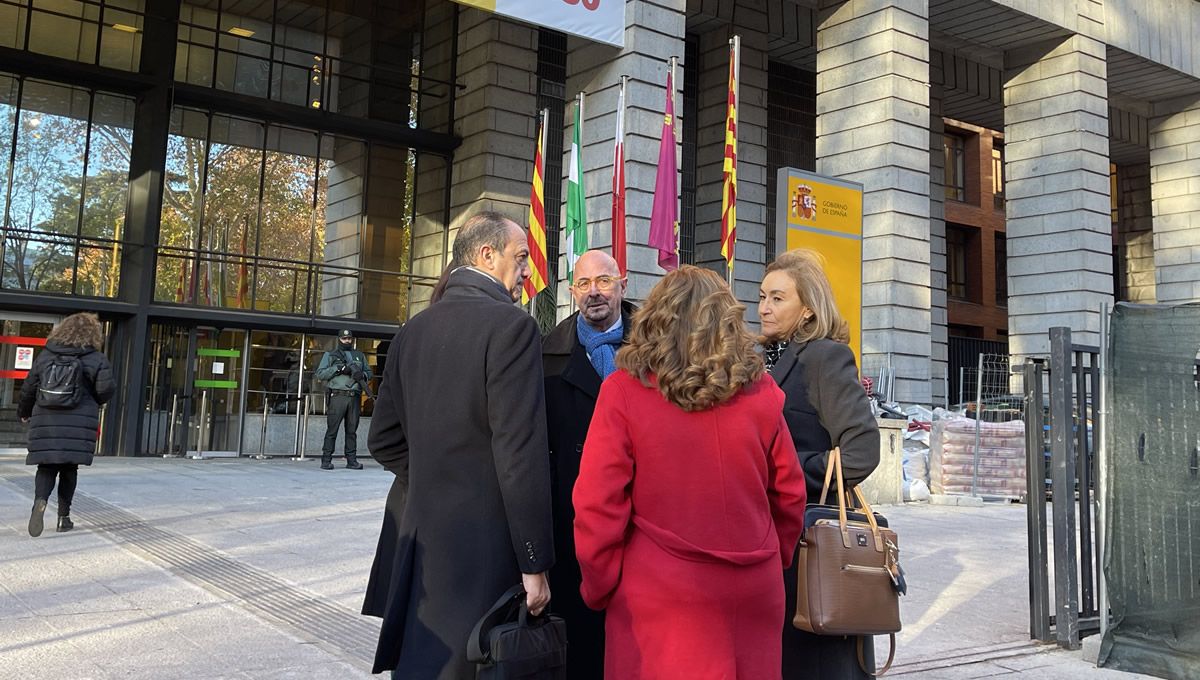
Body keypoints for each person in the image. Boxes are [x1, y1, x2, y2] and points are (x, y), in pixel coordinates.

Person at [573, 266, 809, 680]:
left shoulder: (624, 392)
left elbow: (597, 504)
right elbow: (789, 494)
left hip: (658, 595)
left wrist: (599, 585)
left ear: (655, 318)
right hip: (754, 586)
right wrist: (772, 560)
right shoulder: (763, 394)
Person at [365, 211, 554, 679]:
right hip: (485, 548)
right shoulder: (512, 328)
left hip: (422, 544)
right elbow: (519, 454)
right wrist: (535, 564)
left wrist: (435, 477)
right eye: (521, 256)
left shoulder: (411, 331)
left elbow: (382, 439)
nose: (528, 269)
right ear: (487, 255)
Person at [758, 248, 881, 680]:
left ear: (807, 308)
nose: (764, 308)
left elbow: (863, 448)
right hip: (772, 539)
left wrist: (788, 468)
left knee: (817, 661)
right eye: (762, 296)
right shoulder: (762, 360)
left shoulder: (825, 357)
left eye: (777, 298)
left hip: (814, 537)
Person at [541, 249, 633, 680]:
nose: (594, 292)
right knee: (581, 649)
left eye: (604, 281)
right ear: (572, 291)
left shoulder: (658, 347)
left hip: (640, 524)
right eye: (583, 284)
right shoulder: (547, 356)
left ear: (623, 285)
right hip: (573, 526)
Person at [18, 312, 115, 537]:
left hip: (47, 419)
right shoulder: (96, 358)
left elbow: (29, 387)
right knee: (70, 468)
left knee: (46, 465)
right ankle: (64, 517)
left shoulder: (46, 356)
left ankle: (40, 502)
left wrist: (23, 412)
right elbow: (106, 389)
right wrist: (94, 401)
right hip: (79, 421)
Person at [314, 329, 372, 470]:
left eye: (349, 338)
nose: (347, 341)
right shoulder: (331, 355)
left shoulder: (359, 355)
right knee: (332, 429)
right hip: (338, 396)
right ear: (339, 339)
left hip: (354, 397)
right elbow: (320, 374)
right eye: (344, 338)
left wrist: (362, 375)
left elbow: (369, 373)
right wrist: (338, 369)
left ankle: (351, 461)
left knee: (352, 431)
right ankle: (326, 460)